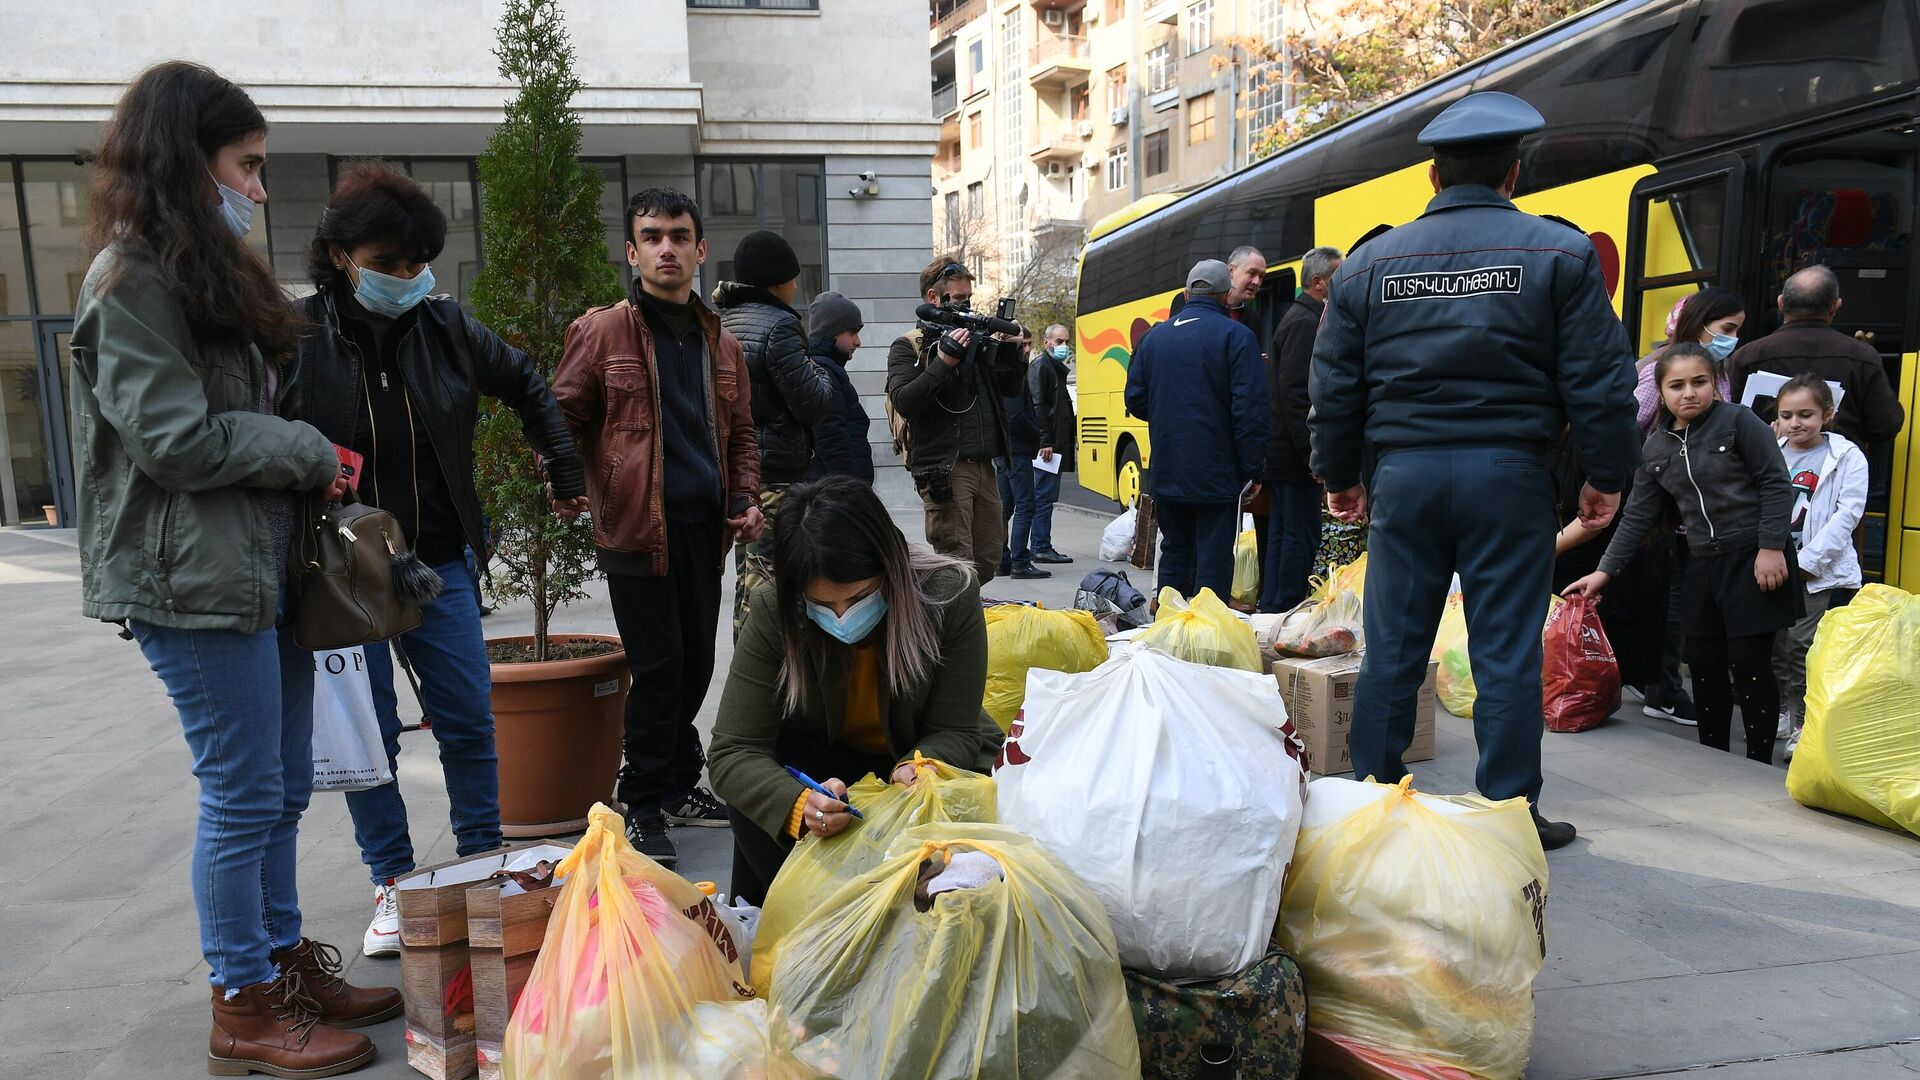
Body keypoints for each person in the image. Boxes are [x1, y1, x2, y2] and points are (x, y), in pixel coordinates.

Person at [71, 61, 394, 1077]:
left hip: (255, 569)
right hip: (189, 583)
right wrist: (301, 452)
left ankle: (279, 964)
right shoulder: (130, 280)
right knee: (245, 791)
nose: (260, 188)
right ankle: (242, 1004)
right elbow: (172, 440)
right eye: (247, 167)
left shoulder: (198, 271)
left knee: (283, 786)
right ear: (185, 160)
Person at [1309, 92, 1640, 850]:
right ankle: (1509, 813)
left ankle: (1374, 801)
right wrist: (1604, 473)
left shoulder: (1367, 266)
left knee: (1394, 644)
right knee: (1504, 651)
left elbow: (1333, 389)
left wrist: (1339, 475)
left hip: (1406, 477)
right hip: (1510, 477)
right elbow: (1600, 379)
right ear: (1513, 173)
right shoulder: (1557, 253)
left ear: (1432, 175)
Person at [285, 160, 588, 957]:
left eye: (419, 262)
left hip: (437, 558)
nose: (408, 277)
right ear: (341, 256)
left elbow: (528, 384)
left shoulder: (448, 329)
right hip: (337, 570)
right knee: (367, 735)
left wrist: (564, 469)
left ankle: (485, 862)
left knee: (466, 716)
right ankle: (392, 881)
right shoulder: (297, 338)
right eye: (389, 265)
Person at [551, 188, 763, 865]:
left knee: (698, 661)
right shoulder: (603, 330)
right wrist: (566, 479)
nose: (666, 248)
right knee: (661, 665)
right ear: (632, 251)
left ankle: (674, 781)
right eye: (652, 236)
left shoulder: (720, 341)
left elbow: (743, 435)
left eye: (678, 235)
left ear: (701, 249)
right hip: (637, 529)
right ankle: (639, 800)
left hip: (706, 527)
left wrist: (748, 495)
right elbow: (561, 415)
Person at [708, 476, 1003, 904]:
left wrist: (919, 766)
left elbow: (955, 729)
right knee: (755, 800)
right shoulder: (777, 609)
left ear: (891, 567)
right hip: (823, 768)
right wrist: (800, 806)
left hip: (915, 754)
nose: (843, 617)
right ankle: (800, 922)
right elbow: (733, 752)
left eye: (861, 596)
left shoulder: (948, 596)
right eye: (823, 605)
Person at [1567, 345, 1802, 763]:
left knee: (1749, 662)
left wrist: (1770, 548)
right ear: (1660, 392)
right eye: (1676, 385)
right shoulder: (1655, 447)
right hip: (1700, 561)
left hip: (1753, 557)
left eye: (1699, 382)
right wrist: (1602, 575)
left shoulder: (1739, 422)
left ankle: (1758, 761)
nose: (1688, 393)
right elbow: (1636, 518)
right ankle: (1714, 757)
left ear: (1715, 384)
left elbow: (1775, 485)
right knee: (1705, 662)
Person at [1630, 289, 1745, 726]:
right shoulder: (1663, 370)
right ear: (1701, 323)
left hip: (1697, 508)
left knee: (1679, 601)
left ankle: (1659, 684)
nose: (1732, 338)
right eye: (1728, 329)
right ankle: (1664, 690)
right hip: (1671, 507)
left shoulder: (1715, 369)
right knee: (1673, 604)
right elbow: (1634, 425)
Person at [1125, 259, 1270, 600]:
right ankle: (1206, 639)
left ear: (1187, 293)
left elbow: (1135, 400)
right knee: (1214, 559)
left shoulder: (1154, 338)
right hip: (1217, 472)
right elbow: (1250, 413)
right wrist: (1254, 470)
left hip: (1168, 467)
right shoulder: (1237, 336)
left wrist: (1169, 415)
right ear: (1225, 296)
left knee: (1174, 551)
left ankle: (1168, 631)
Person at [713, 230, 834, 637]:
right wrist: (819, 369)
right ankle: (765, 678)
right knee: (772, 583)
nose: (796, 286)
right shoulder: (780, 326)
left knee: (749, 577)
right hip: (777, 473)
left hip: (739, 476)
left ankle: (751, 669)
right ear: (779, 281)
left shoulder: (722, 322)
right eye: (793, 278)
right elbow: (813, 400)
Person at [886, 256, 1027, 580]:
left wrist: (1015, 353)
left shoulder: (976, 340)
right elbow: (905, 401)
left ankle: (964, 612)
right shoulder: (909, 346)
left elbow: (1010, 389)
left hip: (984, 466)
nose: (967, 307)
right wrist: (943, 362)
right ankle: (956, 623)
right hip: (946, 467)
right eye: (960, 299)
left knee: (989, 558)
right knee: (956, 562)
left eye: (969, 299)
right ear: (934, 298)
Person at [1769, 374, 1867, 759]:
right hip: (1772, 563)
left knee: (1799, 646)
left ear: (1827, 414)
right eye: (1787, 415)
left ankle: (1802, 721)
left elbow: (1848, 515)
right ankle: (1783, 710)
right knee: (1776, 646)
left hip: (1814, 572)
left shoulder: (1847, 457)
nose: (1796, 423)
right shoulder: (1772, 449)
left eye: (1806, 414)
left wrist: (1808, 563)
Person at [1728, 264, 1906, 447]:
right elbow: (1885, 426)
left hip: (1764, 469)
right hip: (1839, 471)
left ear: (1781, 303)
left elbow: (1726, 421)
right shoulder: (1863, 357)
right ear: (1835, 306)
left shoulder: (1747, 356)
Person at [1263, 245, 1342, 612]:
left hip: (1286, 454)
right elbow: (1297, 396)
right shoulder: (1306, 323)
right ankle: (1285, 606)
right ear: (1318, 283)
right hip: (1294, 457)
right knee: (1299, 535)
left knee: (1286, 533)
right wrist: (1315, 456)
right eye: (1337, 276)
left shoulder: (1300, 318)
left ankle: (1275, 604)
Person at [1634, 288, 1743, 436]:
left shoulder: (1721, 376)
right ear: (1698, 325)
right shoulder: (1658, 371)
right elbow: (1627, 425)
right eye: (1727, 329)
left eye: (1700, 382)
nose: (1733, 338)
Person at [805, 290, 875, 484]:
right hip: (837, 493)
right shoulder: (824, 372)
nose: (858, 342)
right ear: (830, 331)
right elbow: (833, 440)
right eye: (852, 332)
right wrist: (853, 492)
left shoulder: (826, 368)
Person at [1028, 323, 1075, 564]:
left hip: (1054, 444)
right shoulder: (1042, 366)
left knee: (1046, 495)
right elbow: (1039, 405)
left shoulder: (1055, 367)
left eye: (1066, 341)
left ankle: (1041, 544)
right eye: (1058, 342)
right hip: (1048, 446)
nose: (1064, 347)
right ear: (1046, 342)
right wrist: (1045, 440)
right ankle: (1040, 546)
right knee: (1043, 496)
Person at [1225, 245, 1269, 324]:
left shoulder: (1255, 321)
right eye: (1252, 273)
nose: (1256, 282)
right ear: (1231, 270)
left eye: (1261, 276)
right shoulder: (1205, 309)